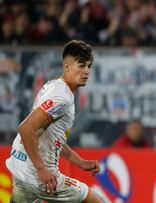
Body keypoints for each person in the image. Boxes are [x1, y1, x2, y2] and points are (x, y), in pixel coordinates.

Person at [6, 40, 103, 202]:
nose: (86, 71)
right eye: (81, 66)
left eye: (89, 66)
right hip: (38, 175)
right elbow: (26, 128)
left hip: (20, 166)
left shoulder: (52, 86)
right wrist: (41, 169)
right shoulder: (61, 98)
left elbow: (50, 137)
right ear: (66, 67)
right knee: (98, 201)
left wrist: (79, 162)